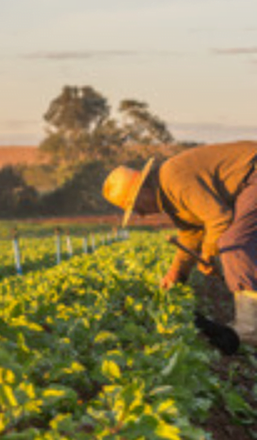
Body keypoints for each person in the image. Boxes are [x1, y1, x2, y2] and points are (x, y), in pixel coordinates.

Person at [102, 142, 257, 345]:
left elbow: (220, 219)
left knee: (234, 242)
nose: (140, 214)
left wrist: (208, 254)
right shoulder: (168, 194)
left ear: (143, 191)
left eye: (135, 206)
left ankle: (249, 329)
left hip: (252, 173)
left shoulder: (174, 180)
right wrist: (177, 272)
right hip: (247, 182)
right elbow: (191, 233)